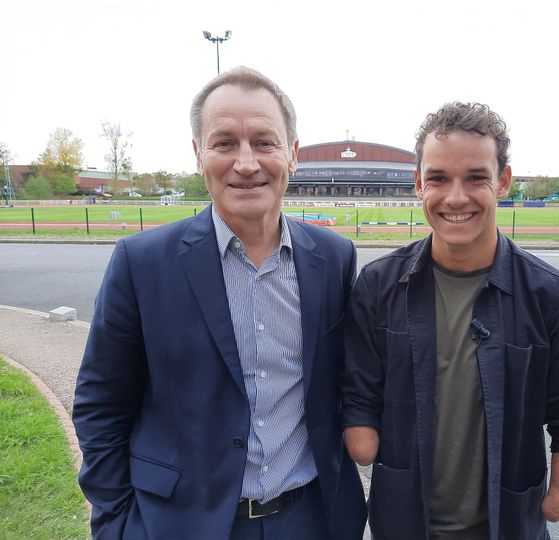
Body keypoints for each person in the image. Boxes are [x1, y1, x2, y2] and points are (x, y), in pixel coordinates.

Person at [72, 66, 367, 540]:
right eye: (225, 142)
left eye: (264, 142)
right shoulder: (142, 263)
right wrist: (116, 522)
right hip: (182, 522)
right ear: (198, 154)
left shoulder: (333, 258)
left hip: (312, 519)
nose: (246, 163)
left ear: (292, 154)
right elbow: (101, 404)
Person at [341, 102, 559, 539]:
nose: (456, 197)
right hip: (403, 525)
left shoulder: (553, 298)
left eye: (476, 177)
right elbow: (358, 390)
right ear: (418, 183)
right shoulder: (377, 287)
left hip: (509, 526)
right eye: (438, 178)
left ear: (503, 181)